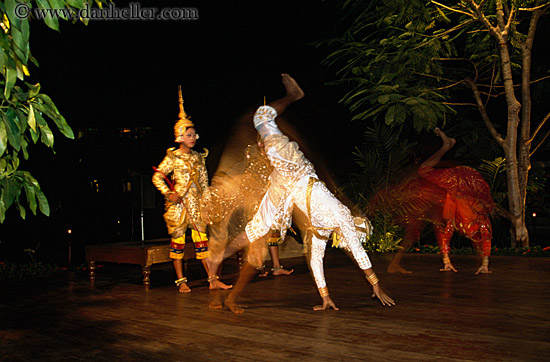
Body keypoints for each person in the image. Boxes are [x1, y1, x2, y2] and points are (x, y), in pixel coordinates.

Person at [209, 74, 394, 312]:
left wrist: (325, 296)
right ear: (355, 226)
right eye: (353, 234)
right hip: (297, 171)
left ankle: (219, 256)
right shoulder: (342, 217)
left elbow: (316, 261)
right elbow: (357, 251)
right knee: (262, 118)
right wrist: (375, 283)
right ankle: (294, 95)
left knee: (261, 227)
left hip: (285, 185)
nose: (349, 239)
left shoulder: (320, 232)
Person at [152, 87, 232, 293]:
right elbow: (157, 176)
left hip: (197, 206)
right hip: (178, 206)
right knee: (178, 244)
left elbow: (204, 183)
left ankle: (212, 279)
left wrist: (208, 201)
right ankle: (181, 281)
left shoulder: (198, 157)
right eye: (188, 134)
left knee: (202, 244)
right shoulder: (172, 158)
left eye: (194, 134)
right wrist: (169, 193)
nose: (193, 137)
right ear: (179, 137)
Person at [385, 128, 495, 274]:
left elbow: (445, 235)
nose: (469, 233)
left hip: (451, 190)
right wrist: (485, 264)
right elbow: (486, 239)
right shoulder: (481, 219)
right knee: (423, 171)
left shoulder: (456, 222)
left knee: (424, 172)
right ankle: (447, 145)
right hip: (466, 182)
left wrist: (447, 262)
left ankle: (446, 145)